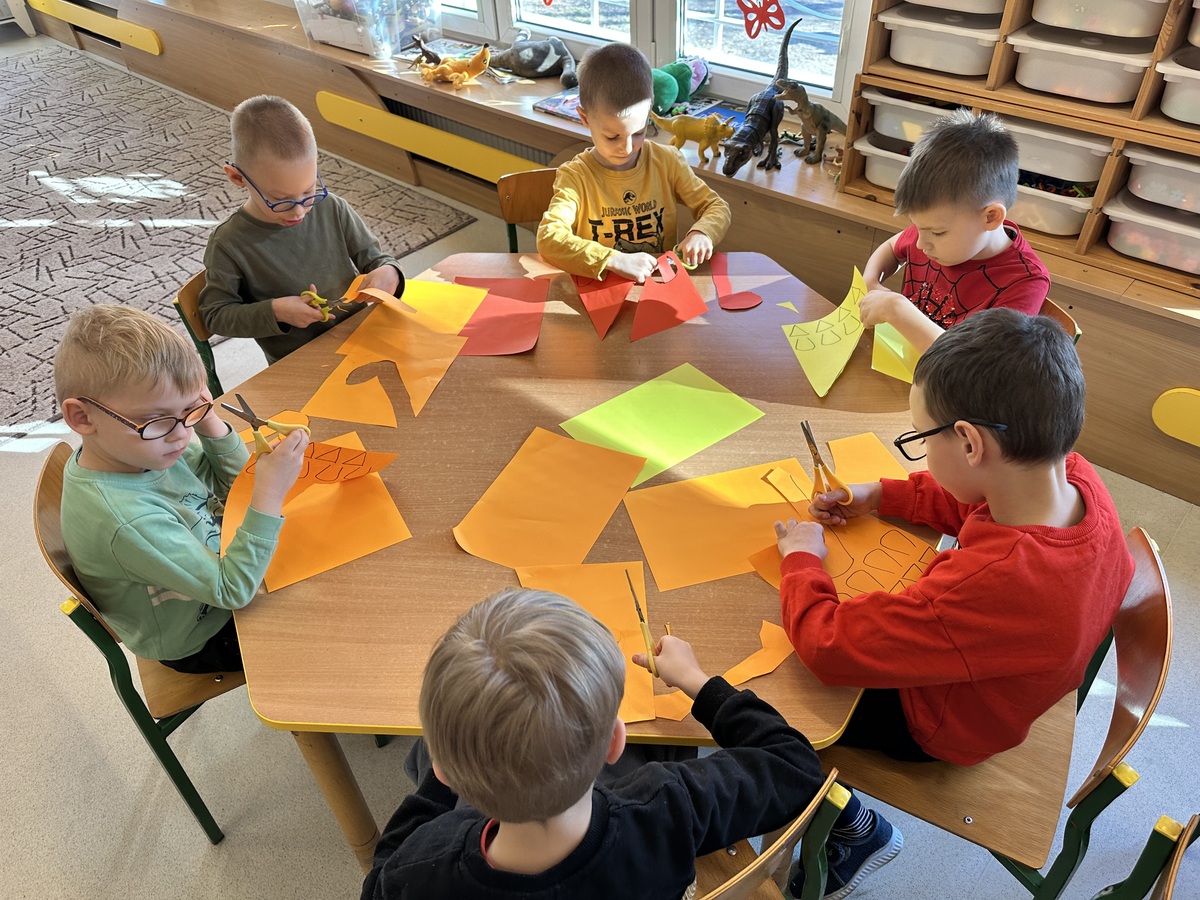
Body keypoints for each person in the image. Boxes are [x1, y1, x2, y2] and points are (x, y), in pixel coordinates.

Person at [774, 308, 1134, 898]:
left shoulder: (992, 583)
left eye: (919, 439)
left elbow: (827, 645)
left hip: (942, 729)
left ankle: (856, 830)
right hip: (1013, 687)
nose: (918, 452)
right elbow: (978, 500)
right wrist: (880, 495)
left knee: (776, 704)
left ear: (969, 441)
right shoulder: (1072, 477)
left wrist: (802, 561)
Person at [361, 587, 827, 900]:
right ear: (614, 742)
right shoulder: (666, 806)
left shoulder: (421, 867)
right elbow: (794, 763)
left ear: (445, 770)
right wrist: (697, 682)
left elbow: (380, 877)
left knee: (415, 757)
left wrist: (433, 790)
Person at [55, 305, 309, 673]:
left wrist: (209, 420)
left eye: (190, 411)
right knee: (328, 623)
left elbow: (236, 486)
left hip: (221, 573)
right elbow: (232, 591)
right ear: (82, 417)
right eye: (157, 420)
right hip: (202, 635)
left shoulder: (142, 449)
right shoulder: (126, 520)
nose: (181, 435)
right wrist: (269, 493)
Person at [199, 94, 405, 364]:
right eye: (281, 200)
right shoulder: (228, 243)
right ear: (238, 178)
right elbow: (215, 316)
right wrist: (276, 311)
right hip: (297, 363)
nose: (298, 211)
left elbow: (376, 259)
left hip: (360, 339)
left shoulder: (332, 207)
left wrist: (389, 272)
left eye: (309, 191)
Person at [536, 43, 731, 283]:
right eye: (612, 137)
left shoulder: (667, 161)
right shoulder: (575, 177)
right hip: (601, 288)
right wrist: (612, 259)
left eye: (639, 132)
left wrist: (702, 232)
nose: (627, 148)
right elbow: (548, 239)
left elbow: (716, 207)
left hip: (657, 284)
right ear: (585, 118)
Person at [859, 110, 1050, 353]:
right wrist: (871, 280)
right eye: (917, 227)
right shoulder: (934, 230)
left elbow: (975, 365)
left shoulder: (1025, 282)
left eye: (938, 233)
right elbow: (891, 248)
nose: (920, 244)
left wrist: (897, 308)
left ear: (990, 217)